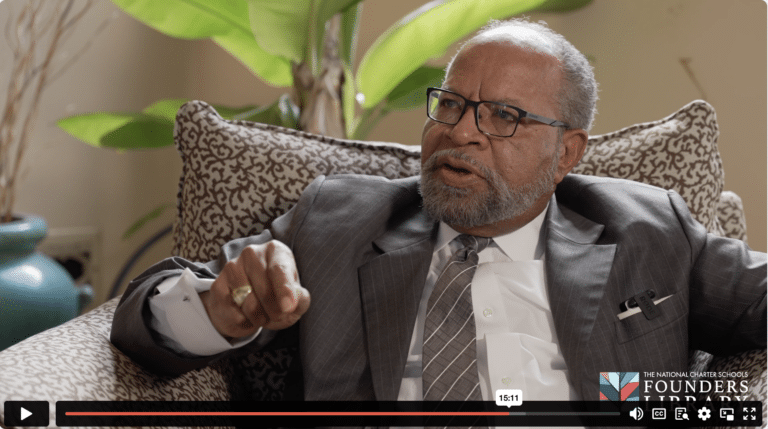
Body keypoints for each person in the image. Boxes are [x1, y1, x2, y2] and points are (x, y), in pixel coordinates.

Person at [111, 18, 766, 408]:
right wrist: (214, 310)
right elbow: (143, 318)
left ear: (566, 153)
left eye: (503, 116)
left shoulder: (648, 228)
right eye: (450, 104)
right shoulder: (339, 220)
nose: (461, 131)